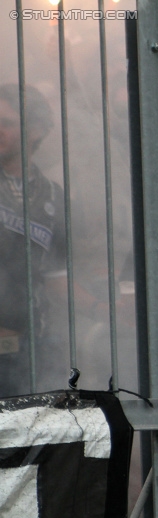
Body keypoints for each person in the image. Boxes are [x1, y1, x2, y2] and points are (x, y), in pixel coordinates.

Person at [0, 83, 68, 397]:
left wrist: (104, 307)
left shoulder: (53, 194)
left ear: (36, 130)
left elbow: (56, 277)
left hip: (34, 349)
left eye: (6, 123)